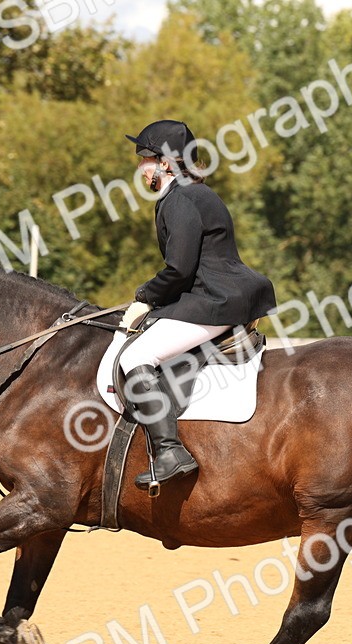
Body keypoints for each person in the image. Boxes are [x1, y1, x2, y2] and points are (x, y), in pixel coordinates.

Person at [118, 119, 276, 491]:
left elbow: (179, 269)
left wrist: (143, 298)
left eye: (145, 159)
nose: (140, 167)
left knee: (132, 358)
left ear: (167, 163)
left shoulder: (182, 199)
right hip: (216, 295)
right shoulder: (192, 194)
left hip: (214, 301)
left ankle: (171, 453)